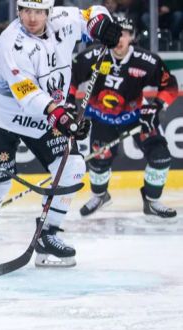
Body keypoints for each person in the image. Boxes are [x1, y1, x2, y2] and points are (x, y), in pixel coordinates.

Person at [0, 0, 121, 267]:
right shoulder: (11, 42)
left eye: (38, 11)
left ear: (48, 12)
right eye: (26, 11)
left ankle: (48, 234)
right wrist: (60, 114)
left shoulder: (63, 19)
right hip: (2, 116)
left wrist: (102, 25)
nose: (32, 18)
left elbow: (92, 13)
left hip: (44, 117)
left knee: (72, 167)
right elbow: (25, 91)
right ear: (18, 11)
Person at [69, 18, 178, 218]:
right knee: (99, 162)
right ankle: (100, 196)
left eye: (125, 33)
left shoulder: (147, 61)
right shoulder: (92, 57)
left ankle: (152, 201)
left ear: (132, 37)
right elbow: (70, 79)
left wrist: (156, 107)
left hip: (137, 116)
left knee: (160, 157)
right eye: (116, 33)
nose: (120, 38)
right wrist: (67, 105)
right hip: (102, 117)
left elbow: (170, 85)